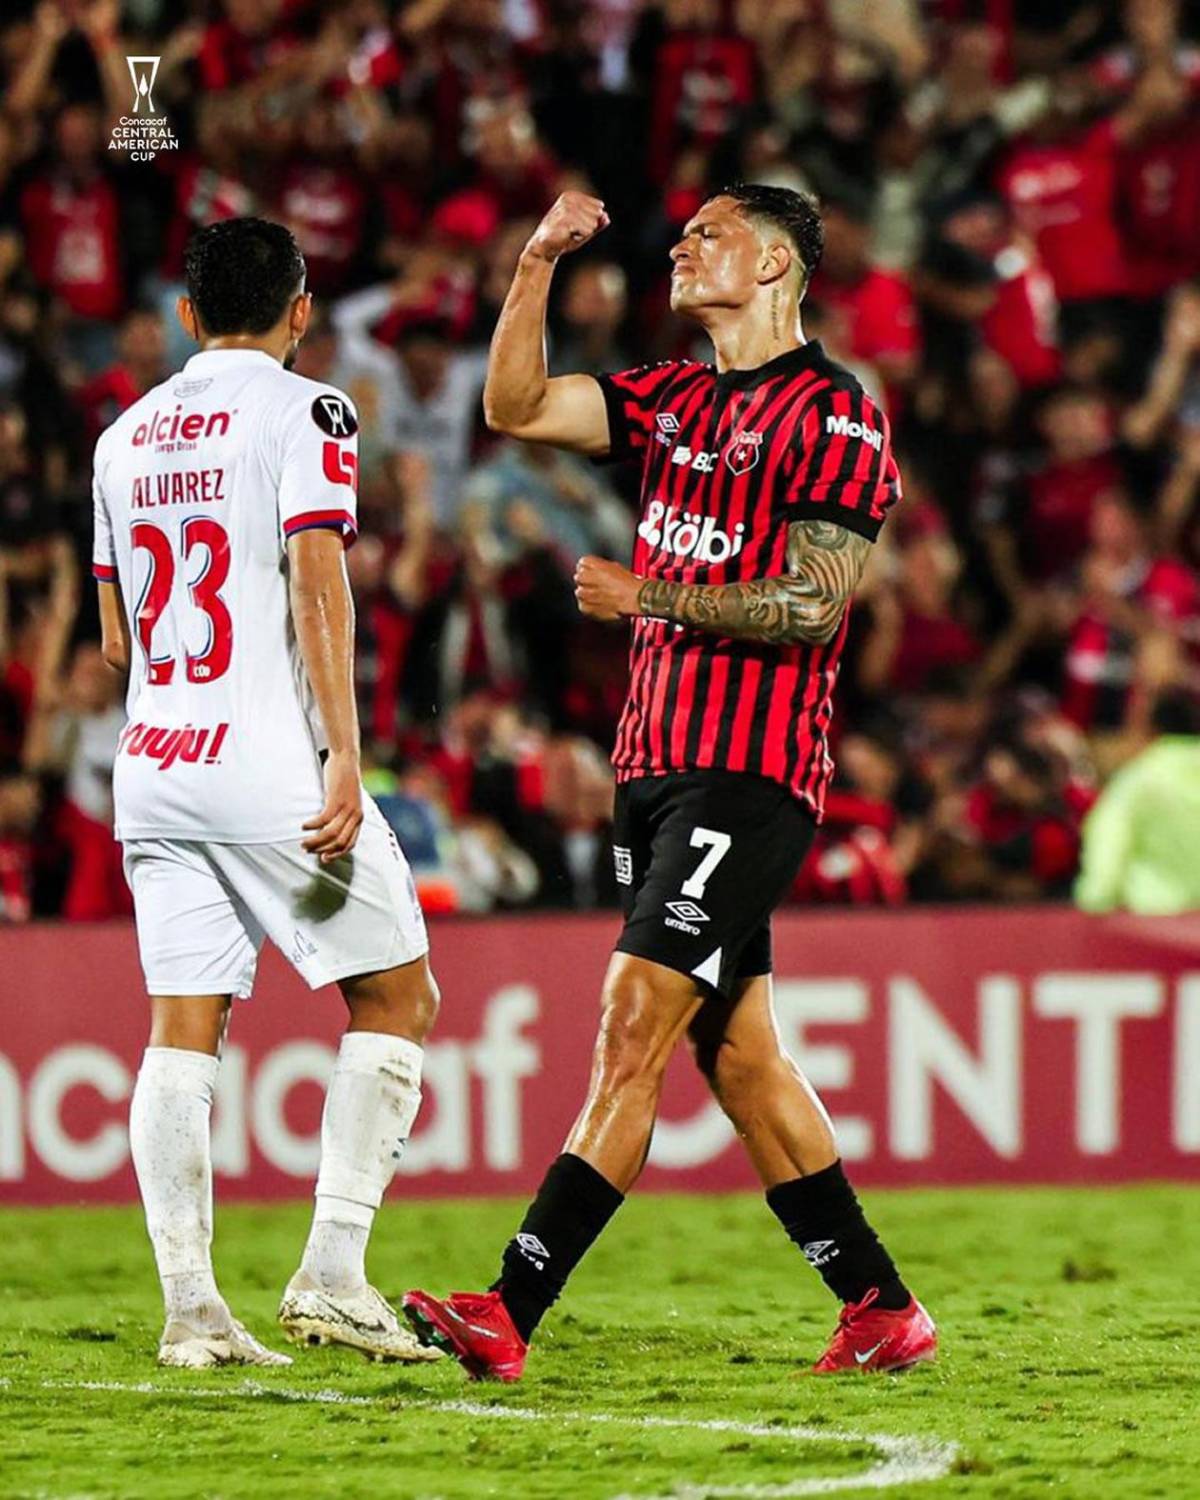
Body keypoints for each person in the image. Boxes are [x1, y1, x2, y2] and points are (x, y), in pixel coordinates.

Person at [404, 186, 936, 1379]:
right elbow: (516, 404)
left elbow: (811, 607)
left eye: (713, 231)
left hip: (750, 773)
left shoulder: (837, 412)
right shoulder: (673, 396)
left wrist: (649, 593)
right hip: (653, 771)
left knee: (633, 1025)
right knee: (739, 1057)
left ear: (782, 265)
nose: (684, 245)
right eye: (685, 231)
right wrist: (534, 260)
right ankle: (879, 1307)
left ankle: (510, 1306)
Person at [92, 217, 441, 1370]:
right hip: (265, 762)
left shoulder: (121, 436)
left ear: (185, 317)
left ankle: (192, 1310)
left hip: (153, 764)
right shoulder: (309, 409)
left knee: (181, 1033)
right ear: (300, 313)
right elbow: (318, 586)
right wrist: (343, 751)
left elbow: (112, 636)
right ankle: (333, 1273)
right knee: (397, 999)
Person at [1075, 691, 1200, 914]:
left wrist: (1094, 902)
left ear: (1150, 729)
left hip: (1157, 923)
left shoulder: (1137, 781)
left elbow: (1106, 856)